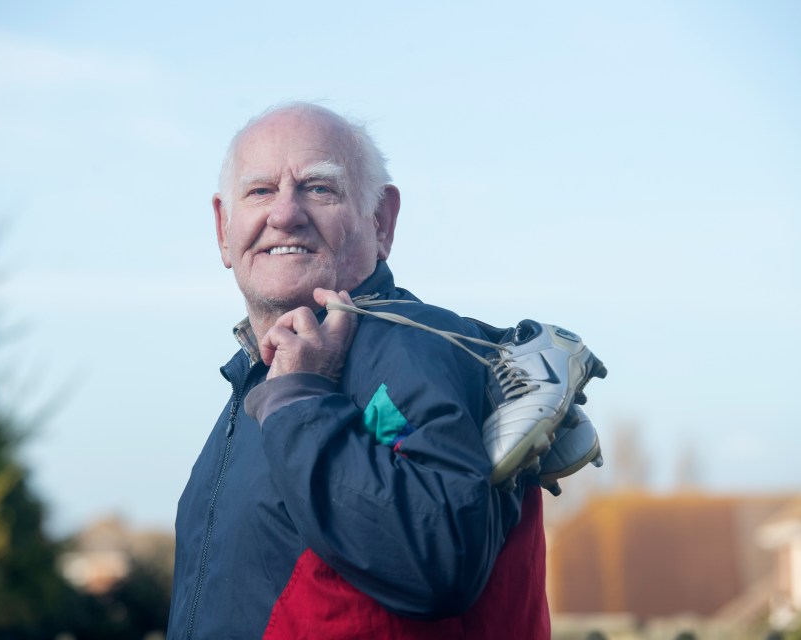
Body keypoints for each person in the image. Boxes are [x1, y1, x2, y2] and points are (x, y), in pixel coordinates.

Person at [168, 102, 578, 639]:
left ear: (381, 220)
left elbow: (437, 552)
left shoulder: (406, 349)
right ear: (224, 227)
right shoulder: (263, 379)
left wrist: (302, 402)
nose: (285, 214)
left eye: (319, 188)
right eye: (260, 191)